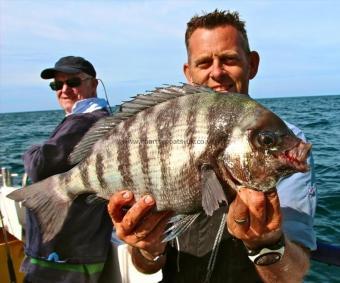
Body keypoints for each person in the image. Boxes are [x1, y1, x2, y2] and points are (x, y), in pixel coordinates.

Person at [107, 10, 317, 282]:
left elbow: (294, 273)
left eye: (229, 59)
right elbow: (147, 266)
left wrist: (266, 243)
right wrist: (148, 249)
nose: (217, 72)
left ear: (251, 64)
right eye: (204, 63)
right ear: (189, 73)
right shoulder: (160, 135)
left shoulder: (283, 144)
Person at [21, 56, 114, 283]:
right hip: (69, 251)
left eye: (73, 82)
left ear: (93, 84)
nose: (64, 90)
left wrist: (32, 150)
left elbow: (40, 165)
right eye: (56, 85)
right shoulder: (88, 119)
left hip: (64, 256)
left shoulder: (85, 121)